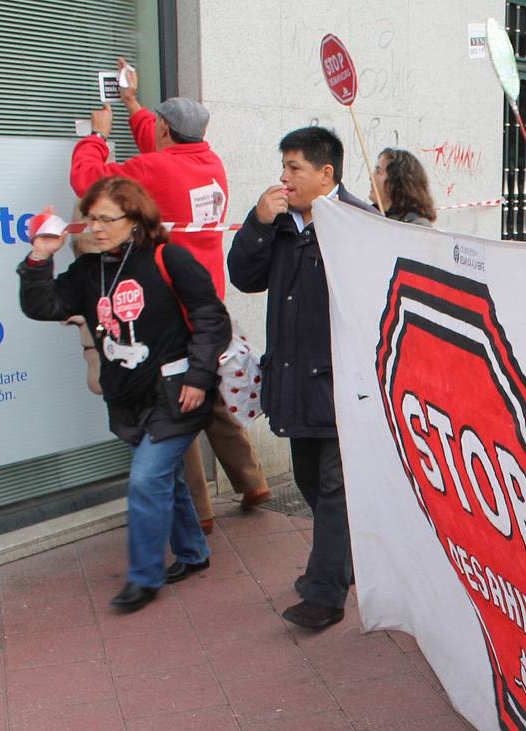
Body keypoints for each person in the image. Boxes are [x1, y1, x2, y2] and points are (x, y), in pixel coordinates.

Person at [69, 60, 270, 532]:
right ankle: (251, 479)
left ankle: (198, 513)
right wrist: (134, 104)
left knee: (172, 407)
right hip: (208, 302)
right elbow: (158, 151)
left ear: (164, 129)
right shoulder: (209, 162)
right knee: (213, 395)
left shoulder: (155, 168)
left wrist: (96, 137)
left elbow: (89, 185)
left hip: (169, 308)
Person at [19, 177, 230, 609]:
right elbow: (44, 306)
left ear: (135, 220)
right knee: (164, 479)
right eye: (90, 218)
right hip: (128, 397)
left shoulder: (168, 257)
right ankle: (193, 553)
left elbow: (212, 317)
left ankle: (143, 578)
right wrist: (40, 256)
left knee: (146, 478)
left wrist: (199, 376)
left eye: (106, 219)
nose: (95, 227)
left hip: (176, 393)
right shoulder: (89, 270)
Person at [227, 126, 377, 630]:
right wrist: (258, 222)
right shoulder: (280, 222)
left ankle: (324, 595)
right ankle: (343, 561)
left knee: (334, 487)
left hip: (341, 383)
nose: (284, 179)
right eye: (284, 168)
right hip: (292, 380)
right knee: (313, 484)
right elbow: (244, 277)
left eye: (295, 168)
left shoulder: (359, 221)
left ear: (326, 173)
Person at [373, 148, 437, 225]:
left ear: (396, 182)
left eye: (378, 171)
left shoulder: (417, 227)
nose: (371, 177)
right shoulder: (369, 216)